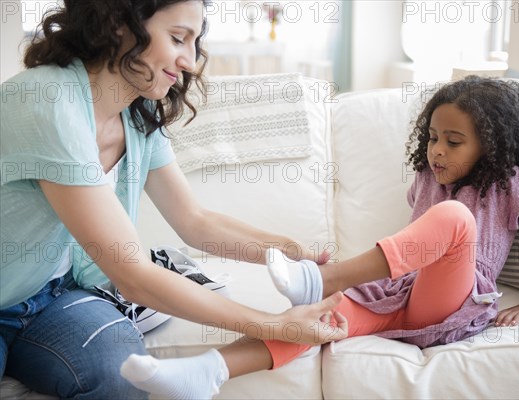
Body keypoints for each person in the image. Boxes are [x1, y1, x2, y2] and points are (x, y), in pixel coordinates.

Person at [121, 76, 519, 399]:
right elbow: (414, 240)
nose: (437, 150)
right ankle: (206, 372)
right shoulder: (427, 177)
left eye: (453, 142)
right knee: (312, 317)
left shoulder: (508, 183)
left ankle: (325, 276)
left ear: (490, 146)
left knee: (455, 216)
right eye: (433, 137)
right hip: (400, 297)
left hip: (453, 302)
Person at [0, 1, 348, 399]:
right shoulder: (48, 101)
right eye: (178, 38)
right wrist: (273, 324)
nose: (189, 60)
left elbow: (195, 220)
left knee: (123, 377)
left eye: (195, 42)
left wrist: (290, 252)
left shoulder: (138, 113)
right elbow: (132, 275)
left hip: (50, 297)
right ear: (118, 23)